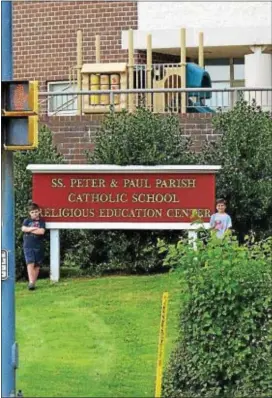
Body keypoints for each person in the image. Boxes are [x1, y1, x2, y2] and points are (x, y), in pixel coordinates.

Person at [22, 202, 46, 290]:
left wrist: (29, 230)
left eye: (36, 212)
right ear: (29, 213)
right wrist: (34, 229)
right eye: (32, 212)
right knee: (30, 263)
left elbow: (42, 232)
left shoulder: (42, 221)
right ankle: (31, 282)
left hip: (38, 246)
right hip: (28, 245)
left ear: (39, 211)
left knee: (37, 265)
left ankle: (33, 284)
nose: (34, 214)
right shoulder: (27, 221)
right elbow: (23, 229)